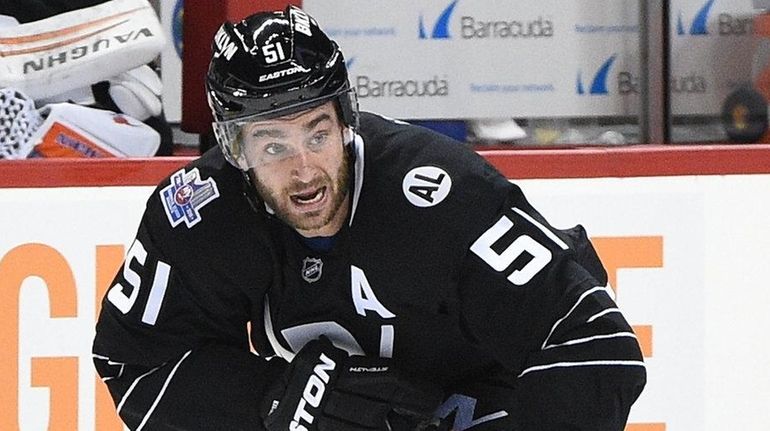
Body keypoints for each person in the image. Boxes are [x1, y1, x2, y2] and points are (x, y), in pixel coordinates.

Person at [93, 5, 646, 430]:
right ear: (233, 149)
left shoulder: (439, 194)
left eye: (317, 132)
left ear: (347, 119)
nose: (304, 169)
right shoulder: (200, 213)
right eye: (272, 146)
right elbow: (133, 363)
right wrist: (271, 398)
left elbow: (600, 348)